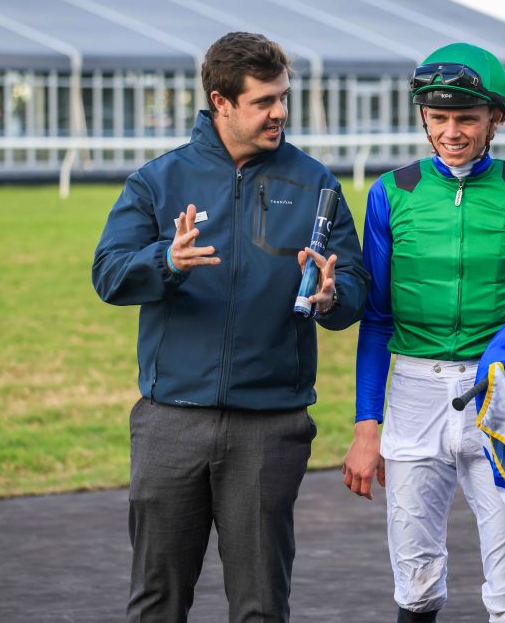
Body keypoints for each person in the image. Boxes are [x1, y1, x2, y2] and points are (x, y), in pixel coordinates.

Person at [92, 31, 369, 622]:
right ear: (220, 101)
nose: (280, 112)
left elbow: (354, 289)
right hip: (170, 423)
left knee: (261, 606)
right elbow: (109, 275)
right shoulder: (158, 180)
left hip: (270, 427)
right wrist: (166, 261)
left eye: (283, 97)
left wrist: (331, 296)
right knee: (157, 602)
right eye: (263, 101)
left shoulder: (316, 184)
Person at [341, 43, 505, 623]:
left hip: (498, 395)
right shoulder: (390, 193)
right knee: (415, 579)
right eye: (438, 117)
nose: (451, 132)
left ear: (495, 118)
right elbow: (376, 319)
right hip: (412, 395)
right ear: (424, 117)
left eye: (467, 118)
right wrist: (366, 426)